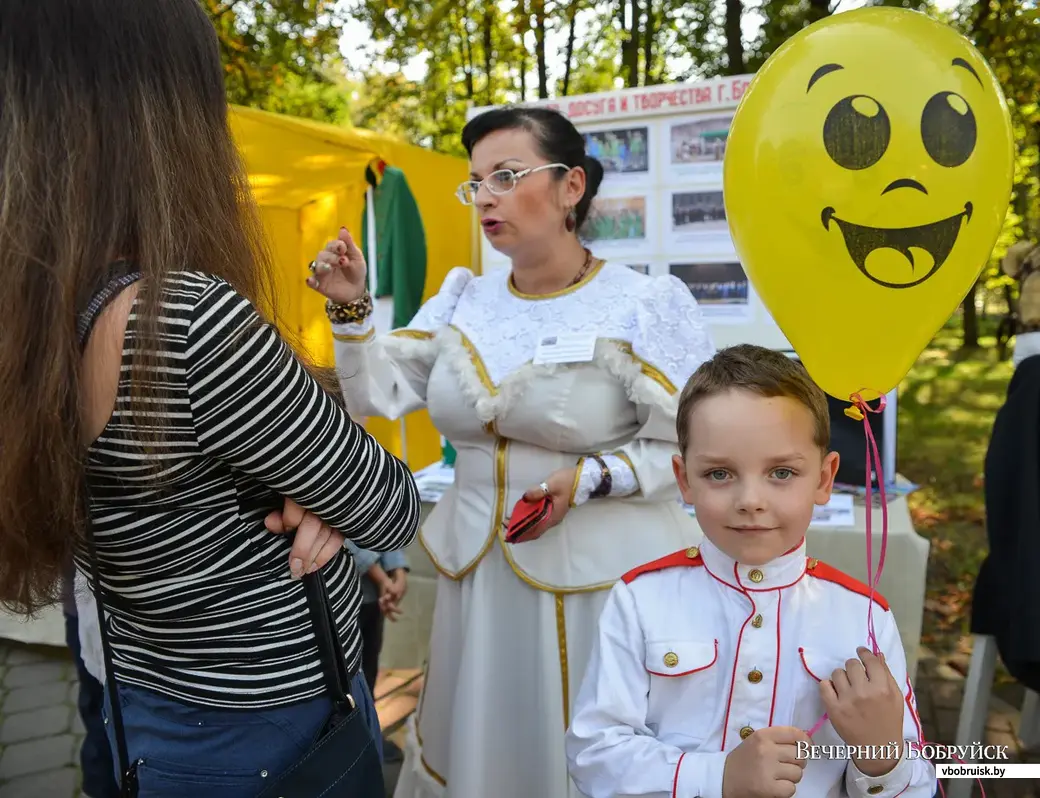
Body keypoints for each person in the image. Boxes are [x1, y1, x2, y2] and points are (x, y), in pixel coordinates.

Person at [0, 2, 420, 796]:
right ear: (166, 118)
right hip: (271, 724)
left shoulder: (43, 307)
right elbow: (390, 506)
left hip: (154, 704)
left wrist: (305, 464)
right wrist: (320, 479)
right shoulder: (180, 319)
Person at [305, 106, 716, 798]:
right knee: (484, 753)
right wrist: (352, 312)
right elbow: (376, 393)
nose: (486, 196)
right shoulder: (464, 298)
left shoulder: (641, 303)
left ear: (570, 186)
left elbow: (697, 452)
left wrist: (592, 477)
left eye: (506, 175)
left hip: (597, 585)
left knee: (578, 751)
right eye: (476, 183)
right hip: (481, 580)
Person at [565, 344, 936, 798]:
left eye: (781, 472)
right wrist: (715, 776)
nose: (750, 499)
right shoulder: (641, 599)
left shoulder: (864, 617)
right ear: (684, 480)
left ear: (824, 479)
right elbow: (593, 754)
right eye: (720, 474)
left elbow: (919, 787)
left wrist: (881, 758)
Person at [345, 540, 410, 760]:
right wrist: (381, 575)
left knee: (368, 669)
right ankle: (347, 742)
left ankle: (366, 733)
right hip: (343, 586)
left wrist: (397, 570)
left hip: (372, 593)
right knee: (344, 675)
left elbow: (385, 521)